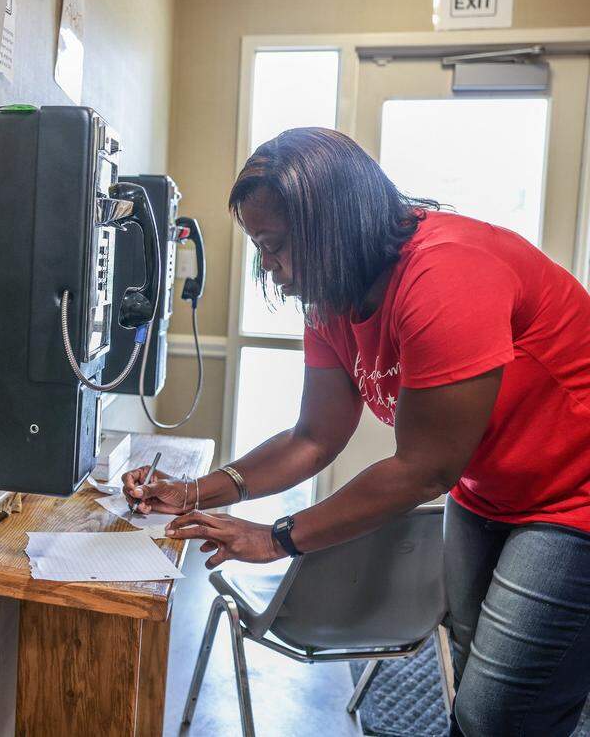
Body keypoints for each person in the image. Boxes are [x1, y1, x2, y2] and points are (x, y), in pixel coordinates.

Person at [123, 127, 590, 736]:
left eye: (274, 246)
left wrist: (278, 538)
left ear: (332, 230)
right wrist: (193, 493)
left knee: (498, 715)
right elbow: (313, 437)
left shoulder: (446, 275)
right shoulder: (331, 299)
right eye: (259, 246)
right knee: (478, 679)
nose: (267, 266)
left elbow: (422, 469)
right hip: (489, 492)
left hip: (576, 498)